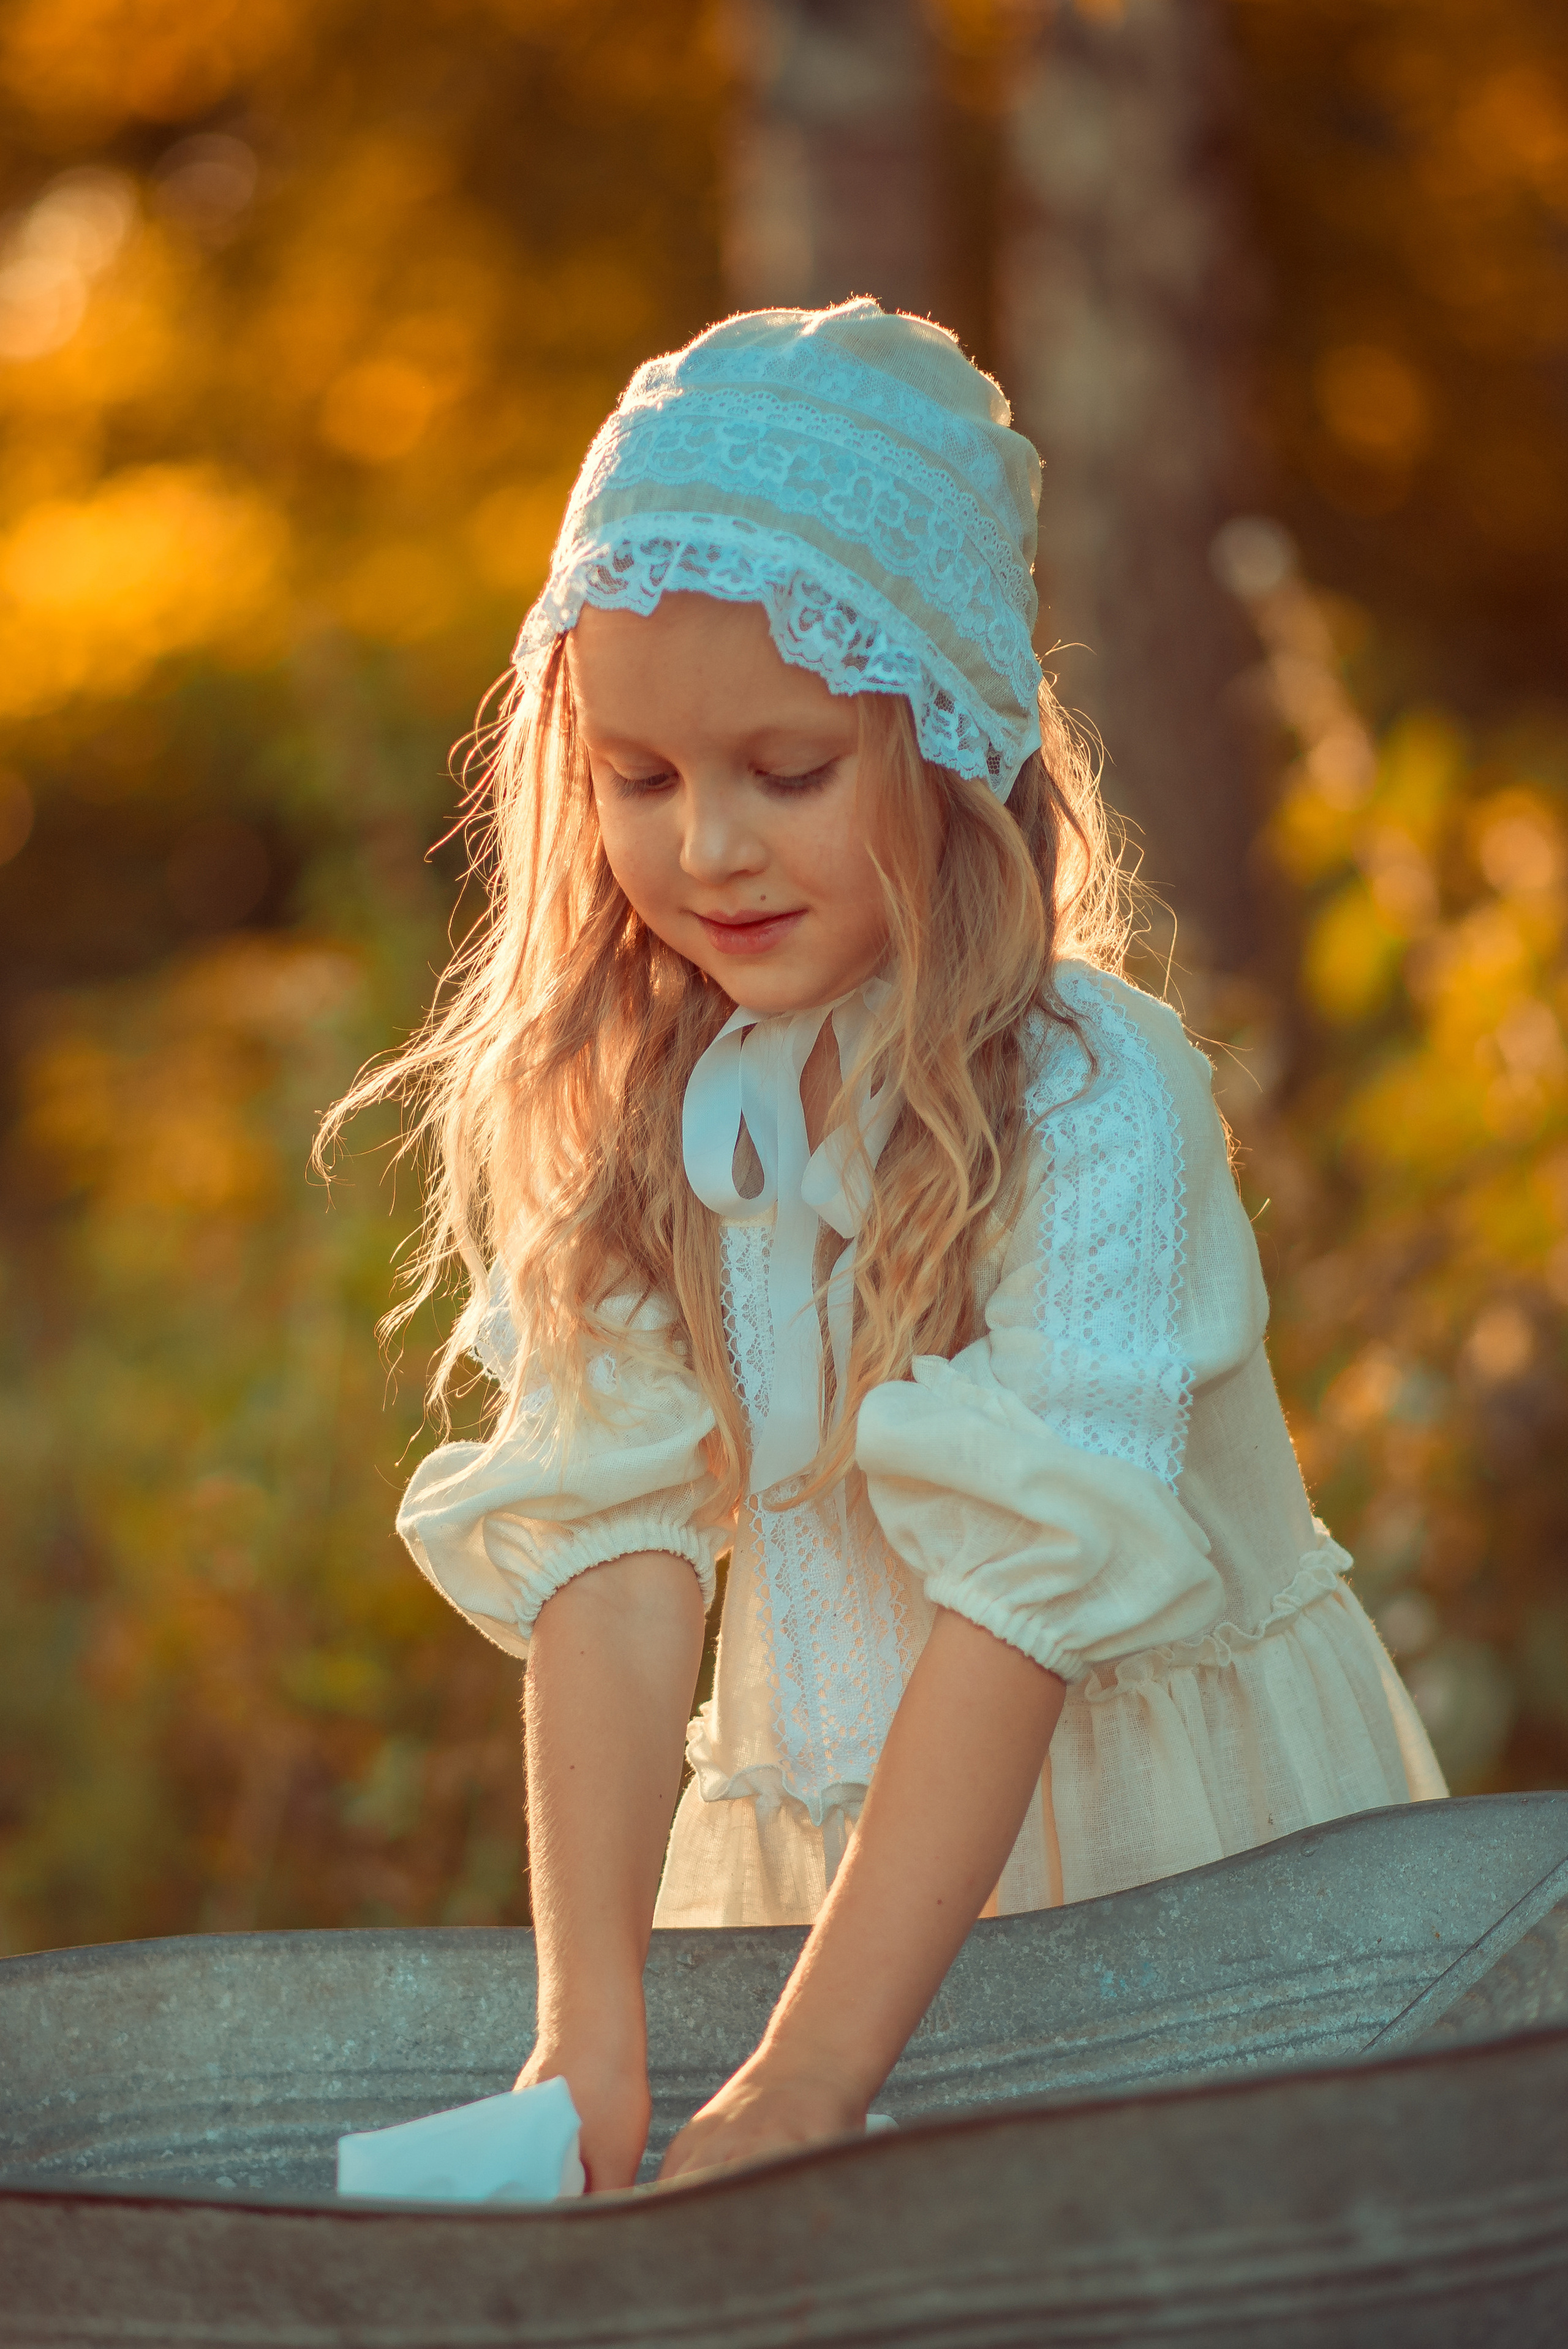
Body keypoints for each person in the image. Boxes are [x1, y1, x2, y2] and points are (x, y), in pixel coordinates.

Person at [326, 298, 1444, 2194]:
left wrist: (808, 2077)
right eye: (642, 778)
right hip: (824, 1847)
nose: (706, 851)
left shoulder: (1088, 1095)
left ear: (946, 739)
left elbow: (1022, 1593)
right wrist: (588, 2039)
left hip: (1160, 1836)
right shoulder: (628, 1101)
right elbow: (611, 1552)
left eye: (787, 769)